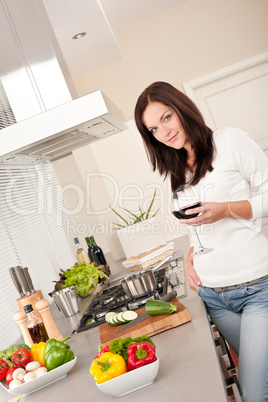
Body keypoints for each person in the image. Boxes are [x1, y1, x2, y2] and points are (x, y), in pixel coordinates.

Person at [134, 81, 268, 402]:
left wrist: (225, 210)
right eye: (153, 128)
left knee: (252, 392)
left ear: (182, 108)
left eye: (166, 117)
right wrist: (192, 253)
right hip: (214, 297)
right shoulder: (177, 167)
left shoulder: (230, 141)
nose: (163, 132)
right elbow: (198, 224)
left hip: (257, 289)